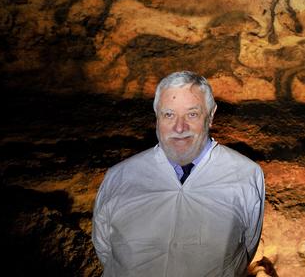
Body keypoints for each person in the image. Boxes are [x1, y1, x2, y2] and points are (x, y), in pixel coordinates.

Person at [92, 71, 265, 276]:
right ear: (157, 117)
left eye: (192, 114)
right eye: (169, 114)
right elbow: (104, 249)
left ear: (210, 116)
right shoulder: (120, 176)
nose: (180, 127)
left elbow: (245, 250)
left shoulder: (246, 175)